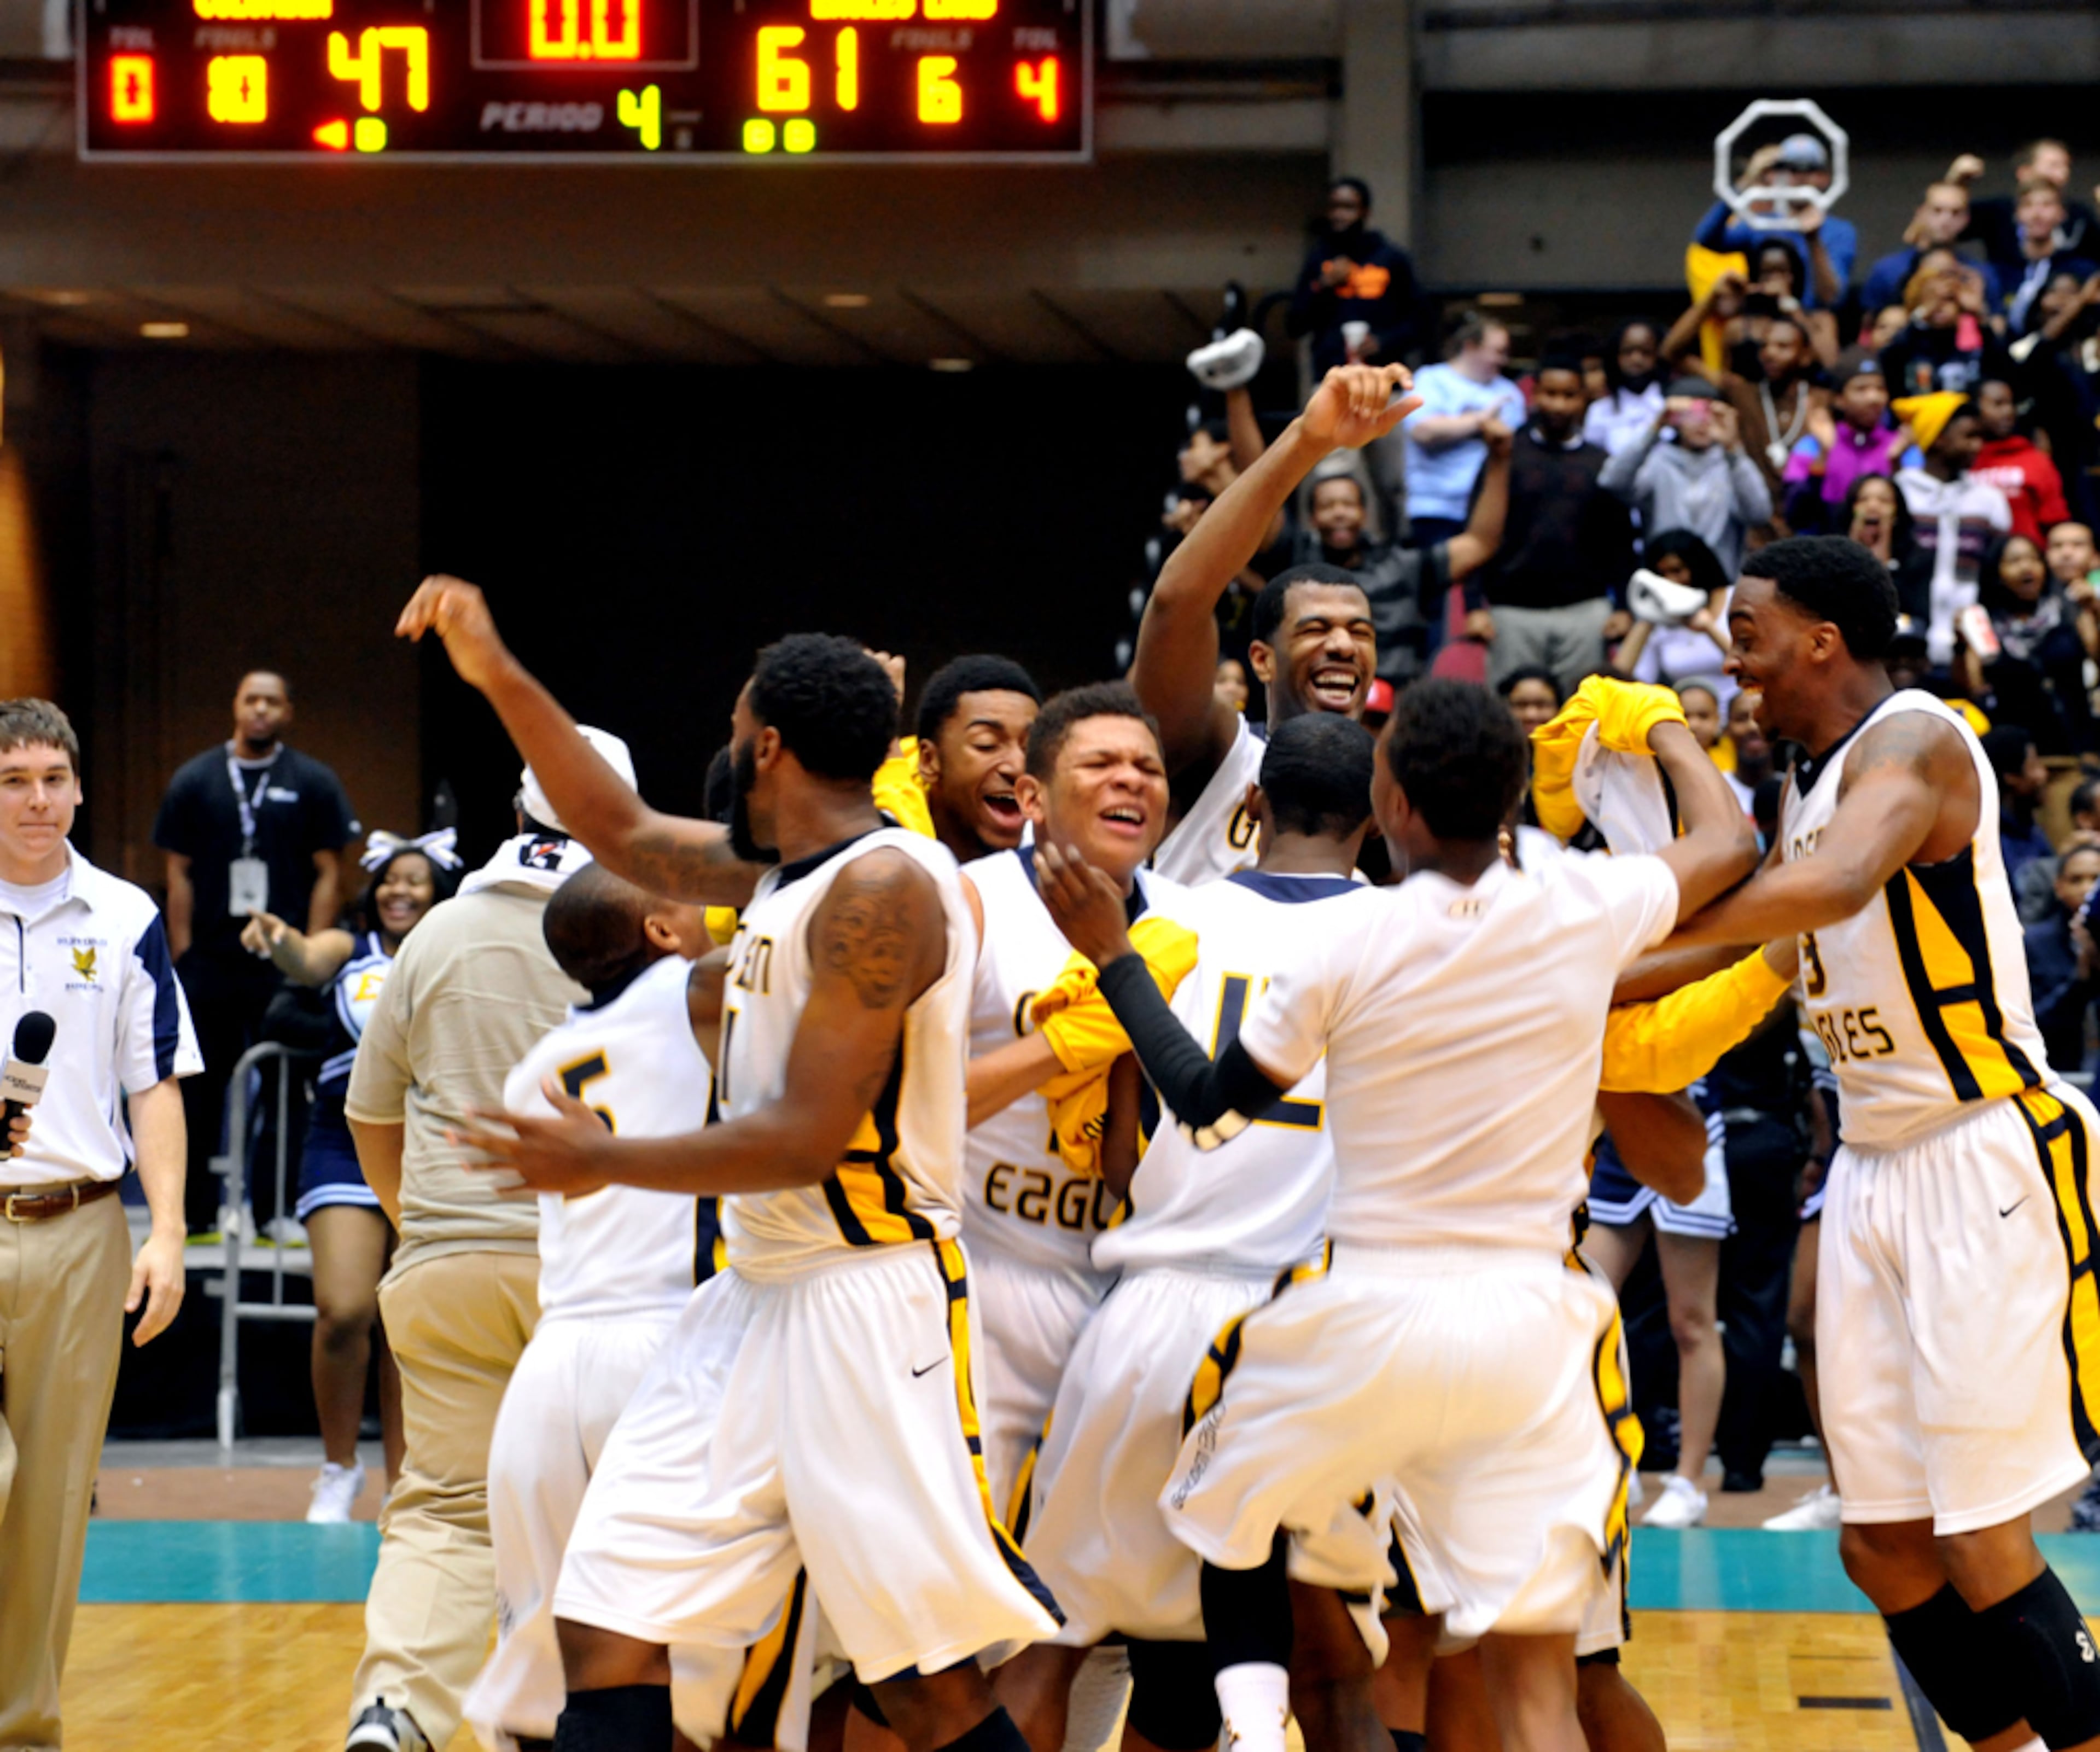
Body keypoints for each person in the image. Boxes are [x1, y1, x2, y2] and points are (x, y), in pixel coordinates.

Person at [1029, 678, 1757, 1752]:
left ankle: (1252, 1725)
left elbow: (1183, 1103)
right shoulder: (1568, 918)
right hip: (1521, 1325)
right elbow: (1730, 845)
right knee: (1506, 1672)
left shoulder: (1278, 932)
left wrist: (1118, 954)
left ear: (1395, 802)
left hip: (1311, 1304)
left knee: (1157, 1568)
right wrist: (1658, 730)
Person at [424, 627, 1062, 1752]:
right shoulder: (783, 875)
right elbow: (615, 829)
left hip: (870, 1299)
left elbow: (807, 1136)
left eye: (732, 724)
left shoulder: (887, 891)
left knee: (923, 1685)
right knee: (608, 1619)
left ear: (765, 744)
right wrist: (494, 670)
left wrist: (603, 1158)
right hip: (754, 1292)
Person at [1673, 535, 2100, 1752]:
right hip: (1869, 1164)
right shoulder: (1807, 783)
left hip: (1981, 1149)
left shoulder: (1913, 740)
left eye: (1747, 631)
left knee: (1979, 1533)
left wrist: (1621, 926)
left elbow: (1840, 882)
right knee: (1882, 1541)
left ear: (1821, 638)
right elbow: (1745, 944)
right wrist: (1570, 972)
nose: (1728, 655)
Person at [995, 714, 1376, 1752]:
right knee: (1326, 1660)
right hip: (1309, 1326)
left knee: (1057, 1634)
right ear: (1378, 816)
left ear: (1250, 809)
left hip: (1152, 1310)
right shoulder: (1410, 942)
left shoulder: (1165, 921)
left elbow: (1120, 1153)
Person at [338, 747, 622, 1752]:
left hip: (450, 1262)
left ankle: (397, 1709)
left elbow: (370, 1113)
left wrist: (425, 1227)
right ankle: (562, 1719)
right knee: (610, 1516)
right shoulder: (649, 933)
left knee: (449, 1508)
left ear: (516, 806)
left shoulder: (439, 930)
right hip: (601, 1283)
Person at [463, 863, 720, 1752]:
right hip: (668, 1351)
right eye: (686, 896)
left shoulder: (535, 1063)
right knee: (687, 1675)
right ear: (658, 931)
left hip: (551, 1366)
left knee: (548, 1675)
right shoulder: (695, 996)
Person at [0, 697, 199, 1752]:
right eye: (12, 779)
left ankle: (22, 1729)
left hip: (83, 1231)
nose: (36, 799)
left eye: (50, 778)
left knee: (47, 1502)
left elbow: (154, 1082)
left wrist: (166, 1230)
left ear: (78, 787)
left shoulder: (125, 916)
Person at [1129, 363, 1507, 885]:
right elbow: (1180, 601)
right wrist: (1306, 442)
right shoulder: (1217, 748)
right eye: (1314, 629)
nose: (1342, 645)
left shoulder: (1401, 804)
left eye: (1361, 632)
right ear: (1261, 658)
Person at [240, 829, 463, 1522]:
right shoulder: (351, 950)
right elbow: (304, 957)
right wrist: (278, 936)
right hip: (342, 1134)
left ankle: (407, 1481)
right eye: (391, 879)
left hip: (429, 1138)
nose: (400, 890)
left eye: (416, 881)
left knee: (409, 1319)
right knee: (344, 1310)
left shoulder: (458, 949)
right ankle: (339, 1467)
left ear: (440, 895)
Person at [155, 670, 360, 1232]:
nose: (262, 709)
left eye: (273, 701)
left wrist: (308, 956)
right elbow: (179, 873)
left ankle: (276, 1212)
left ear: (288, 711)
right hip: (210, 963)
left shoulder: (313, 780)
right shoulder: (196, 779)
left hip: (283, 964)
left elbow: (328, 872)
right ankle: (195, 1215)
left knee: (287, 1087)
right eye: (252, 699)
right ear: (236, 706)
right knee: (197, 1088)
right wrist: (184, 955)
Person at [1469, 352, 1637, 695]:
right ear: (1535, 396)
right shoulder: (1506, 454)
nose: (1559, 405)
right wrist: (1473, 606)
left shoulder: (1600, 462)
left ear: (1584, 399)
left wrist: (1623, 607)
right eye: (1550, 394)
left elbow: (1621, 542)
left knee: (1584, 716)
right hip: (1511, 611)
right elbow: (1476, 534)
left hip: (1586, 613)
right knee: (1513, 714)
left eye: (1569, 395)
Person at [1298, 458, 1509, 690]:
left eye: (1348, 504)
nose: (1339, 513)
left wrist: (1499, 460)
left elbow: (1480, 544)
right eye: (1327, 506)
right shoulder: (1295, 570)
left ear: (1364, 514)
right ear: (1311, 519)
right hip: (1321, 705)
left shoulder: (1400, 567)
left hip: (1395, 708)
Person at [1600, 380, 1774, 577]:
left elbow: (1759, 513)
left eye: (1711, 414)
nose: (1703, 422)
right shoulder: (1659, 462)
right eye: (1692, 414)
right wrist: (1655, 430)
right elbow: (1611, 481)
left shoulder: (1732, 466)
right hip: (1665, 583)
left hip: (1721, 584)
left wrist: (1733, 448)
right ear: (1674, 418)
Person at [1893, 393, 2014, 668]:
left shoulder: (1988, 500)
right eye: (1968, 437)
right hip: (1910, 642)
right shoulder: (1901, 492)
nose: (1978, 446)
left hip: (1971, 643)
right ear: (1938, 438)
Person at [1961, 533, 2096, 755]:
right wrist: (1961, 643)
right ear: (1996, 572)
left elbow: (2097, 660)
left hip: (2077, 748)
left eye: (2034, 559)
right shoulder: (1984, 626)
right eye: (2014, 561)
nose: (2026, 567)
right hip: (2017, 757)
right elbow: (1974, 687)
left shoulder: (2069, 610)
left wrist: (2095, 612)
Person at [1399, 314, 1527, 544]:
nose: (1504, 360)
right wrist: (1481, 420)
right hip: (1435, 508)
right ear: (1471, 347)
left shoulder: (1509, 392)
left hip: (1490, 508)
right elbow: (1423, 431)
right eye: (1498, 351)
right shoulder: (1431, 380)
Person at [1694, 133, 1857, 309]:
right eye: (1791, 169)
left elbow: (1831, 297)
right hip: (1765, 325)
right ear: (1777, 175)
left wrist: (1813, 240)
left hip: (1813, 328)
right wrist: (1748, 181)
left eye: (1810, 169)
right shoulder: (1762, 224)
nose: (1801, 177)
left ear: (1824, 178)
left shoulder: (1841, 231)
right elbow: (1707, 240)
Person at [908, 656, 1045, 865]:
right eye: (987, 744)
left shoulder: (1060, 867)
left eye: (1029, 748)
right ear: (929, 761)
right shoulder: (884, 856)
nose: (1019, 767)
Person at [1284, 176, 1424, 377]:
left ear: (1365, 212)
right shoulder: (1319, 258)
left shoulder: (1391, 258)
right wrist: (1323, 284)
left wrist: (1383, 342)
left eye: (1348, 208)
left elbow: (1420, 322)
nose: (1339, 215)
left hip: (1382, 376)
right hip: (1332, 378)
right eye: (1334, 207)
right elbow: (1294, 326)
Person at [1781, 351, 1920, 528]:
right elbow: (1796, 517)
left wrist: (1896, 465)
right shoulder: (1812, 445)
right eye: (1861, 389)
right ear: (1839, 400)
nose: (1874, 398)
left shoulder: (1902, 446)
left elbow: (1910, 522)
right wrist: (1824, 454)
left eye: (1880, 389)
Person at [1716, 316, 1825, 515]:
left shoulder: (1822, 400)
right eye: (1764, 346)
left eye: (1783, 346)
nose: (1769, 353)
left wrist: (1790, 307)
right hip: (1756, 526)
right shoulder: (1744, 395)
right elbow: (1672, 353)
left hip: (1808, 523)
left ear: (1806, 355)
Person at [1879, 252, 2014, 398]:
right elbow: (1889, 364)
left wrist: (1980, 316)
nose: (1939, 306)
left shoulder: (1979, 339)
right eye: (1932, 297)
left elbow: (2007, 372)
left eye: (1949, 299)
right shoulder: (1910, 340)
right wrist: (1921, 315)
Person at [1861, 181, 2004, 317]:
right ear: (1920, 213)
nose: (1946, 220)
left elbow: (1999, 327)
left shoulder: (1979, 275)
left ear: (1966, 219)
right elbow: (1869, 332)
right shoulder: (1888, 271)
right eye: (1937, 211)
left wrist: (1980, 311)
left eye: (1956, 212)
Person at [2024, 841, 2100, 1075]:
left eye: (2096, 880)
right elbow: (2031, 1025)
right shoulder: (2033, 944)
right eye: (2076, 880)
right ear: (2058, 887)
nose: (2087, 889)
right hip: (2055, 1071)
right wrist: (2081, 979)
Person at [1971, 377, 2072, 544]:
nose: (2008, 412)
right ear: (1975, 408)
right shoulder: (1963, 460)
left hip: (2026, 561)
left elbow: (2056, 522)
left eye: (2011, 404)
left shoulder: (2035, 460)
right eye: (1998, 404)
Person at [2001, 179, 2100, 338]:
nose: (2037, 214)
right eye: (2028, 205)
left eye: (2047, 205)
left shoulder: (2081, 269)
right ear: (2017, 213)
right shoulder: (2002, 267)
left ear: (2062, 214)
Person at [1982, 726, 2057, 892]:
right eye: (2035, 765)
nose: (2044, 774)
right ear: (2011, 777)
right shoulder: (1992, 841)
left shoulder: (2031, 829)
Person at [1583, 319, 1667, 460]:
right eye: (1628, 352)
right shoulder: (1599, 411)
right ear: (1616, 356)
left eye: (1645, 352)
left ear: (1657, 355)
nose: (1636, 359)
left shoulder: (1670, 405)